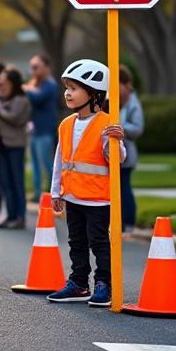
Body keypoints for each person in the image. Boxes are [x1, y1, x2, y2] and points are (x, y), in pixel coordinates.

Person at [47, 59, 125, 307]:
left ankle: (104, 284)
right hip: (72, 196)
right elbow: (60, 160)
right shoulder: (66, 124)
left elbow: (117, 158)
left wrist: (117, 142)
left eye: (74, 88)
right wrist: (55, 192)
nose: (68, 93)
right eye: (67, 87)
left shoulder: (106, 124)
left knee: (99, 242)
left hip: (99, 199)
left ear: (94, 94)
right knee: (76, 242)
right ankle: (79, 283)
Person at [0, 66, 31, 229]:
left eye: (4, 83)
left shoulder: (21, 100)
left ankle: (20, 217)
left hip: (15, 146)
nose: (1, 85)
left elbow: (15, 118)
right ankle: (9, 215)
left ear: (13, 83)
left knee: (17, 182)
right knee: (5, 182)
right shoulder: (1, 99)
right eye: (0, 83)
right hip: (2, 145)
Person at [24, 54, 60, 202]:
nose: (33, 70)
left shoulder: (50, 85)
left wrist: (26, 89)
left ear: (46, 67)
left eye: (36, 67)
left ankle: (54, 194)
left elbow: (38, 98)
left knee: (48, 165)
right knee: (35, 166)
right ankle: (37, 193)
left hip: (45, 131)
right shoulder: (35, 84)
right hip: (34, 131)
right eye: (32, 67)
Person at [118, 67, 144, 233]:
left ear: (128, 85)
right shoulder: (112, 101)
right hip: (112, 155)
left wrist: (120, 127)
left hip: (126, 156)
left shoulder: (133, 104)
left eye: (118, 85)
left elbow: (138, 128)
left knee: (124, 189)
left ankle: (129, 222)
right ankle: (117, 221)